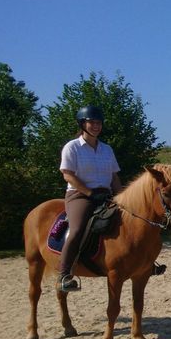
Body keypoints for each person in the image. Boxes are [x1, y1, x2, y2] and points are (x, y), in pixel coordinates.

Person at [57, 105, 122, 292]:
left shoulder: (107, 149)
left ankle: (143, 263)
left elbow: (114, 177)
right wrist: (90, 193)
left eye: (98, 123)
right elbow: (68, 175)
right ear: (82, 124)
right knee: (77, 229)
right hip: (80, 195)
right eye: (91, 122)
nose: (96, 126)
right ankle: (64, 274)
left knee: (131, 220)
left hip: (106, 194)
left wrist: (121, 197)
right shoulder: (72, 147)